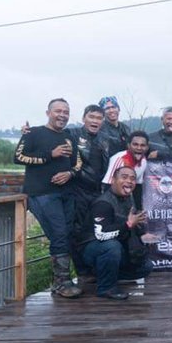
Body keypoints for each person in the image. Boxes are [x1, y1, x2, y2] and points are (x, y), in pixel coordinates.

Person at [13, 99, 83, 298]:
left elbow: (78, 163)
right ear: (48, 113)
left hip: (67, 193)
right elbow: (18, 157)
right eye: (58, 111)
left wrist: (70, 173)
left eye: (66, 112)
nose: (62, 115)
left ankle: (59, 281)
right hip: (42, 193)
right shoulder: (33, 133)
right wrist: (50, 154)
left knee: (67, 234)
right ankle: (63, 282)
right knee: (59, 234)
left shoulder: (69, 137)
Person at [80, 166, 155, 300]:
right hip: (92, 249)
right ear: (113, 180)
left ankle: (105, 275)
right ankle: (106, 288)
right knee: (112, 246)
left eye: (132, 178)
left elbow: (130, 227)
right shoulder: (103, 203)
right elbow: (101, 235)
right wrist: (128, 225)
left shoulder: (129, 198)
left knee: (146, 266)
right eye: (124, 177)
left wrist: (142, 235)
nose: (129, 181)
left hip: (117, 247)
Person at [66, 105, 110, 281]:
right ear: (84, 118)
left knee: (97, 230)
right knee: (76, 231)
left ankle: (95, 269)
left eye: (99, 118)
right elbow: (49, 135)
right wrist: (28, 133)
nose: (95, 121)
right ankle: (82, 272)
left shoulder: (106, 139)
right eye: (91, 117)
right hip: (77, 190)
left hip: (98, 192)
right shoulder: (72, 134)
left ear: (103, 121)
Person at [103, 131, 149, 209]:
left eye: (142, 145)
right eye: (135, 144)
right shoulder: (119, 158)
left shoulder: (144, 161)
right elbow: (108, 185)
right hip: (110, 199)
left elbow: (137, 187)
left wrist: (139, 209)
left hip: (126, 198)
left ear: (147, 147)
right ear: (128, 146)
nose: (139, 148)